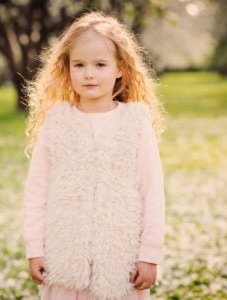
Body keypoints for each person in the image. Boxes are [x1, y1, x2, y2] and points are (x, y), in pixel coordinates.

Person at [21, 11, 167, 300]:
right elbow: (36, 193)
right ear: (67, 69)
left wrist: (149, 255)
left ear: (120, 69)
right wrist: (35, 249)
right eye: (79, 65)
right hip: (63, 262)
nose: (89, 73)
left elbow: (152, 192)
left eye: (100, 64)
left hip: (120, 264)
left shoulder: (136, 124)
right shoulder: (56, 124)